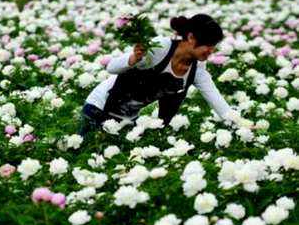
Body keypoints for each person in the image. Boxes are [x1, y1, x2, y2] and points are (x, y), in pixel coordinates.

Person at [79, 13, 238, 137]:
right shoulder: (162, 47)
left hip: (128, 118)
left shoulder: (197, 69)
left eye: (214, 46)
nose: (211, 51)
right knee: (84, 156)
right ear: (190, 37)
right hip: (99, 106)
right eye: (208, 45)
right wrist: (133, 59)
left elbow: (216, 100)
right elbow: (112, 67)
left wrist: (240, 125)